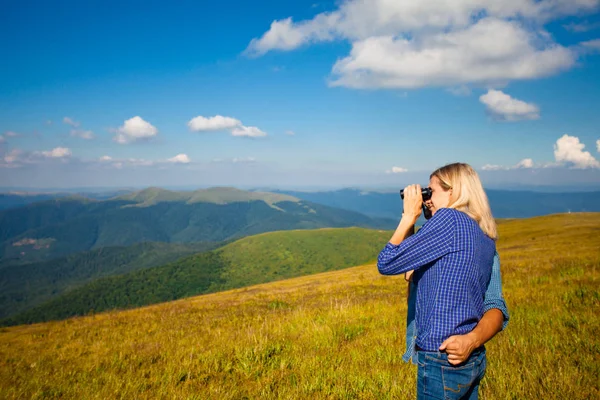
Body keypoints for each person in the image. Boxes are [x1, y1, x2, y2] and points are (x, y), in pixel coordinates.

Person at [377, 163, 508, 399]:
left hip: (441, 356)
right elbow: (495, 307)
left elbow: (387, 262)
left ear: (453, 192)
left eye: (431, 191)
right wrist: (471, 340)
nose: (426, 199)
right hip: (471, 356)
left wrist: (408, 216)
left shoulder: (449, 220)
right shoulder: (486, 238)